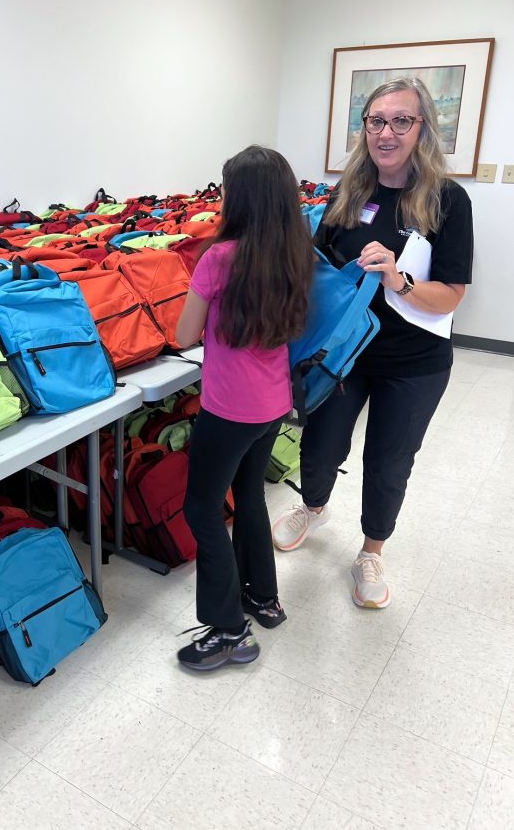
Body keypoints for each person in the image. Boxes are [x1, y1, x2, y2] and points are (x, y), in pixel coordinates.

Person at [272, 77, 473, 609]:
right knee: (319, 445)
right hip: (343, 355)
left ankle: (371, 551)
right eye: (376, 121)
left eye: (400, 121)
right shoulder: (349, 191)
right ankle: (313, 507)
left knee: (389, 461)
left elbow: (450, 296)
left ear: (422, 128)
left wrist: (398, 281)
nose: (386, 132)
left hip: (415, 362)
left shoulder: (448, 200)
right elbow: (317, 263)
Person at [175, 144, 314, 672]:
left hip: (228, 409)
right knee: (250, 494)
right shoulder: (294, 253)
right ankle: (264, 598)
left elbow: (186, 334)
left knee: (201, 509)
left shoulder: (219, 257)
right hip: (273, 405)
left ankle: (230, 631)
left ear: (241, 197)